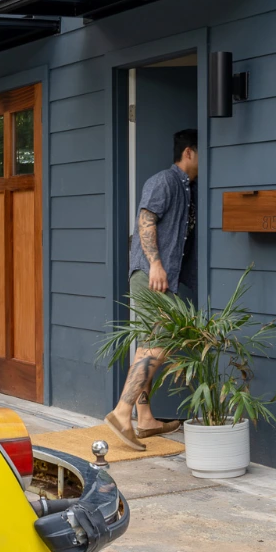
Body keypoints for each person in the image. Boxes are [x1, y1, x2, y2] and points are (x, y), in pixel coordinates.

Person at [104, 128, 198, 450]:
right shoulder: (164, 181)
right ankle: (122, 412)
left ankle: (144, 418)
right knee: (158, 342)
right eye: (202, 152)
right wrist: (156, 263)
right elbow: (145, 221)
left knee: (152, 345)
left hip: (163, 279)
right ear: (189, 152)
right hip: (151, 275)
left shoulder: (188, 189)